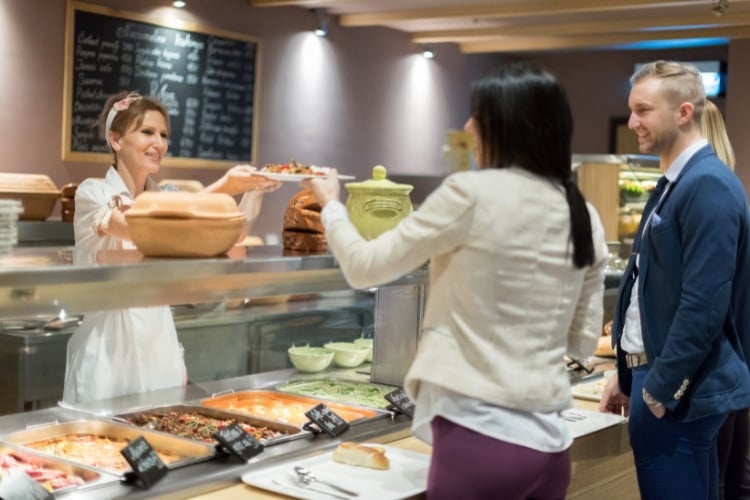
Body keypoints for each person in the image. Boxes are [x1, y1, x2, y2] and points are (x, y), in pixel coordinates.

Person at [304, 61, 608, 499]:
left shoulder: (470, 194)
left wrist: (331, 205)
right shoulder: (582, 211)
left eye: (477, 116)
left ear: (507, 127)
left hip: (481, 441)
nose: (467, 126)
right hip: (551, 448)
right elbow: (581, 342)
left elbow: (364, 267)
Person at [62, 91, 281, 404]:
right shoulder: (92, 193)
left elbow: (225, 234)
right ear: (116, 140)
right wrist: (224, 186)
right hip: (108, 349)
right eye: (147, 132)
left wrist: (253, 192)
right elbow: (146, 227)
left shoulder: (167, 194)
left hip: (159, 342)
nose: (159, 143)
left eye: (164, 134)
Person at [598, 61, 750, 500]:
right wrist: (628, 375)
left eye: (643, 110)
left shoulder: (708, 185)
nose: (632, 123)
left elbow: (704, 305)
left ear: (684, 112)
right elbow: (649, 287)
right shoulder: (677, 181)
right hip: (655, 382)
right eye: (631, 110)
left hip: (679, 395)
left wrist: (660, 388)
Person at [700, 99, 749, 500]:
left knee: (715, 483)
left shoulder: (710, 198)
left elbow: (706, 305)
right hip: (738, 367)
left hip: (718, 368)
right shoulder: (734, 194)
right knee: (733, 481)